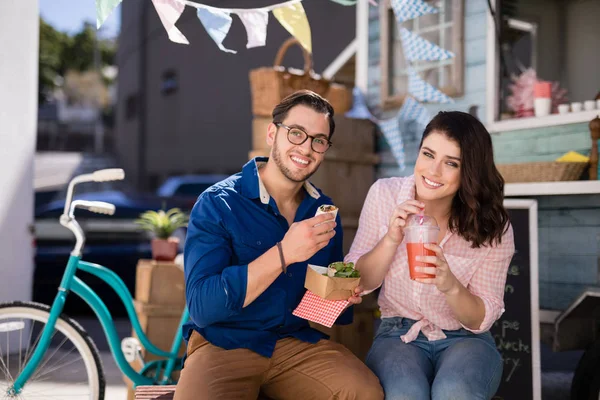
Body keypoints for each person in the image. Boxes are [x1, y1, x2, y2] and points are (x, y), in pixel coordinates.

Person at [175, 90, 384, 400]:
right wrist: (284, 254)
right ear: (272, 133)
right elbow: (203, 307)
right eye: (296, 133)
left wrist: (340, 294)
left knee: (364, 392)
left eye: (318, 140)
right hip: (222, 343)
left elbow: (322, 307)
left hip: (293, 344)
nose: (306, 148)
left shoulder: (323, 212)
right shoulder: (217, 204)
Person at [346, 111, 514, 400]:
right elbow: (358, 280)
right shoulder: (385, 195)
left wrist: (450, 285)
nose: (433, 171)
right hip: (398, 331)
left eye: (451, 163)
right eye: (428, 154)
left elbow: (480, 319)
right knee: (404, 394)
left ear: (469, 172)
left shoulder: (492, 227)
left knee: (455, 391)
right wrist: (391, 239)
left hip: (466, 339)